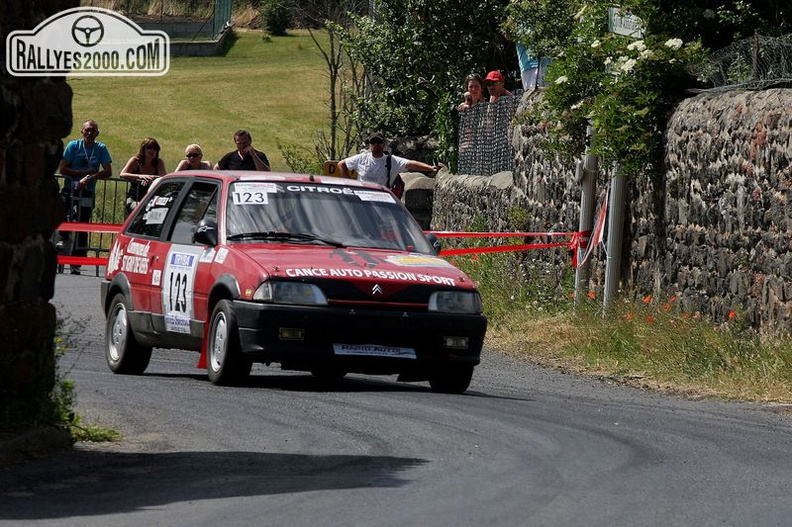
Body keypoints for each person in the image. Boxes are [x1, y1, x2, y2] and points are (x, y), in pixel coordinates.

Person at [57, 119, 113, 275]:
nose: (89, 133)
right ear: (81, 132)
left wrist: (89, 178)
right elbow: (63, 169)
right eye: (87, 130)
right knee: (62, 211)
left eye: (93, 130)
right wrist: (82, 174)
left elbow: (108, 171)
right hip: (70, 188)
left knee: (83, 224)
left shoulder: (100, 148)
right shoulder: (73, 146)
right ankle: (63, 238)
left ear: (97, 133)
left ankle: (78, 261)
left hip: (87, 192)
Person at [338, 133, 444, 197]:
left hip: (382, 200)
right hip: (362, 199)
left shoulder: (391, 161)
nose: (376, 145)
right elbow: (341, 164)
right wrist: (350, 185)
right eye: (373, 142)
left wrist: (431, 168)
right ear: (370, 145)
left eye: (379, 142)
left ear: (383, 144)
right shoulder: (361, 158)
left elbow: (411, 164)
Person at [120, 137, 167, 216]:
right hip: (134, 199)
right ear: (143, 149)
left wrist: (150, 178)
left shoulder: (159, 162)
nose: (152, 150)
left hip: (151, 199)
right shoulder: (135, 160)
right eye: (149, 147)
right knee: (139, 209)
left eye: (155, 148)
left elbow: (163, 177)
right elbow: (123, 174)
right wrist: (140, 177)